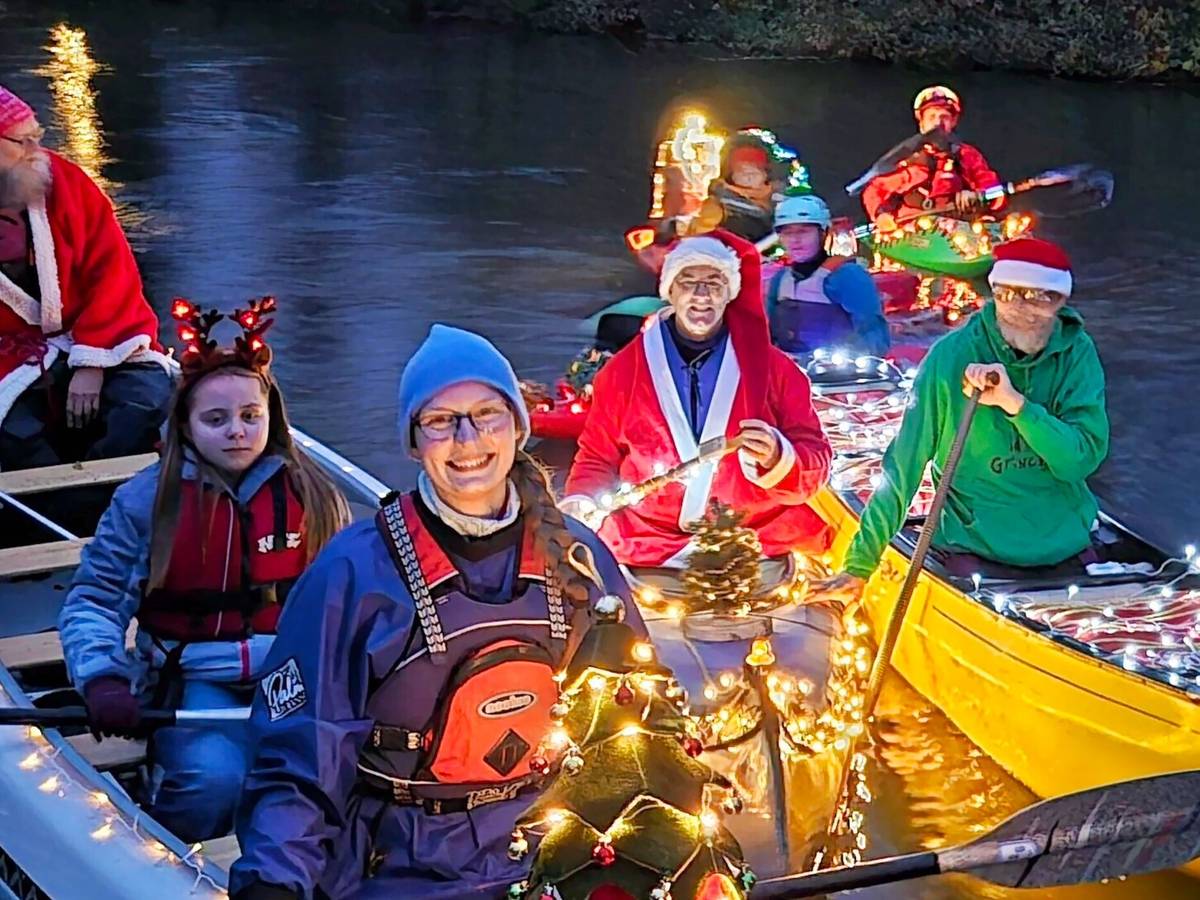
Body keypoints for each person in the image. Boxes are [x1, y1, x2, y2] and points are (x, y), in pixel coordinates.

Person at [230, 325, 644, 900]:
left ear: (517, 426)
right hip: (400, 865)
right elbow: (299, 756)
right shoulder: (354, 571)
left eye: (487, 415)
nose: (467, 439)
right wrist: (273, 881)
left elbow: (638, 717)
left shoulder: (580, 557)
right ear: (413, 442)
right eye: (441, 421)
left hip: (551, 855)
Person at [58, 297, 351, 843]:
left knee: (328, 776)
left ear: (271, 418)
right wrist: (102, 677)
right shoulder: (147, 502)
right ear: (187, 426)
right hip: (194, 678)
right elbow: (95, 600)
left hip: (292, 675)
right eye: (215, 419)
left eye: (250, 417)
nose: (236, 431)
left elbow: (354, 601)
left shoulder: (314, 494)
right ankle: (164, 849)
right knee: (214, 781)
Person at [818, 238, 1109, 598]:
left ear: (1060, 301)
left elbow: (1078, 462)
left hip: (1063, 542)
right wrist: (860, 564)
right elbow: (906, 463)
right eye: (1007, 294)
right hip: (973, 547)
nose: (1020, 308)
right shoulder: (951, 356)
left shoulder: (1077, 354)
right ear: (994, 293)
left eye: (1038, 297)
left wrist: (1017, 407)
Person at [563, 230, 833, 576]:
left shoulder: (778, 371)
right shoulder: (621, 373)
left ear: (730, 293)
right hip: (648, 543)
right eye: (688, 282)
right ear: (670, 291)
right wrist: (582, 501)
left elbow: (816, 457)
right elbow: (597, 458)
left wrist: (778, 456)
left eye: (714, 283)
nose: (701, 295)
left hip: (757, 540)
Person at [0, 85, 171, 472]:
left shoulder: (65, 182)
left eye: (37, 137)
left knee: (144, 400)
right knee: (14, 433)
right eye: (22, 142)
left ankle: (112, 487)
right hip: (6, 356)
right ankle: (57, 501)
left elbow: (113, 272)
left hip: (87, 335)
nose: (36, 150)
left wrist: (93, 359)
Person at [862, 86, 1006, 233]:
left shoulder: (967, 155)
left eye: (944, 117)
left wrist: (978, 196)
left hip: (959, 231)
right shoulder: (903, 158)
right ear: (921, 124)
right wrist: (881, 215)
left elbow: (995, 192)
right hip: (910, 233)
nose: (938, 123)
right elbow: (875, 190)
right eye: (931, 117)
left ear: (953, 122)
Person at [763, 193, 891, 357]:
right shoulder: (780, 280)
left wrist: (858, 357)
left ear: (823, 233)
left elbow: (873, 334)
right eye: (787, 233)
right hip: (788, 367)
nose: (795, 240)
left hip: (836, 369)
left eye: (803, 231)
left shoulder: (848, 276)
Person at [690, 135, 779, 242]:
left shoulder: (781, 202)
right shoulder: (717, 207)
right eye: (741, 171)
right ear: (730, 175)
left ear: (766, 175)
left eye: (756, 171)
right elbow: (701, 240)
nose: (749, 176)